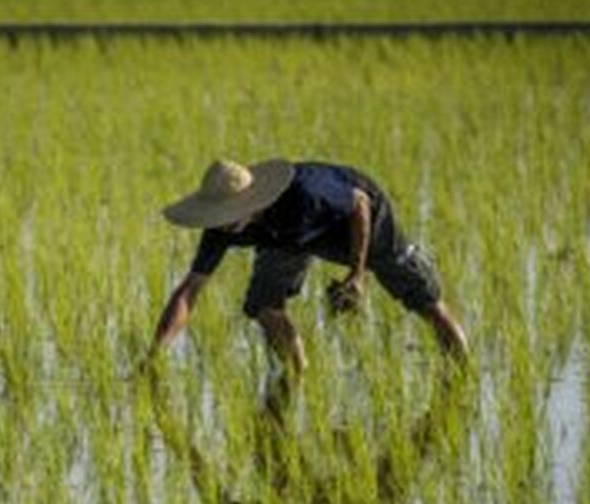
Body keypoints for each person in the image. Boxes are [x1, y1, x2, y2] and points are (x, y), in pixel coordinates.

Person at [148, 158, 469, 381]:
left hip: (357, 221)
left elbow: (359, 203)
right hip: (288, 236)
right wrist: (154, 356)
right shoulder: (221, 227)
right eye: (220, 215)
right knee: (263, 304)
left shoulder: (306, 193)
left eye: (230, 214)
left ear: (252, 202)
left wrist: (357, 275)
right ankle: (297, 370)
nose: (223, 223)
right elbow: (189, 291)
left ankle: (461, 372)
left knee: (424, 297)